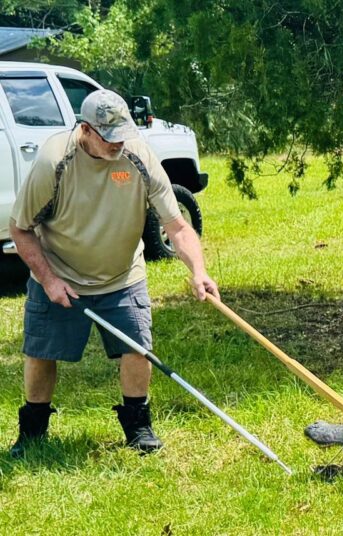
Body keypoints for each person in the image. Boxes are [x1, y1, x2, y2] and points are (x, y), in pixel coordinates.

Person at [8, 90, 220, 458]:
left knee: (137, 348)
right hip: (60, 271)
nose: (118, 142)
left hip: (123, 275)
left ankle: (139, 427)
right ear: (86, 130)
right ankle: (33, 432)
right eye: (109, 135)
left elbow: (178, 227)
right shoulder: (54, 161)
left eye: (123, 132)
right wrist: (48, 279)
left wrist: (198, 271)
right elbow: (20, 229)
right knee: (41, 352)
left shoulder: (139, 157)